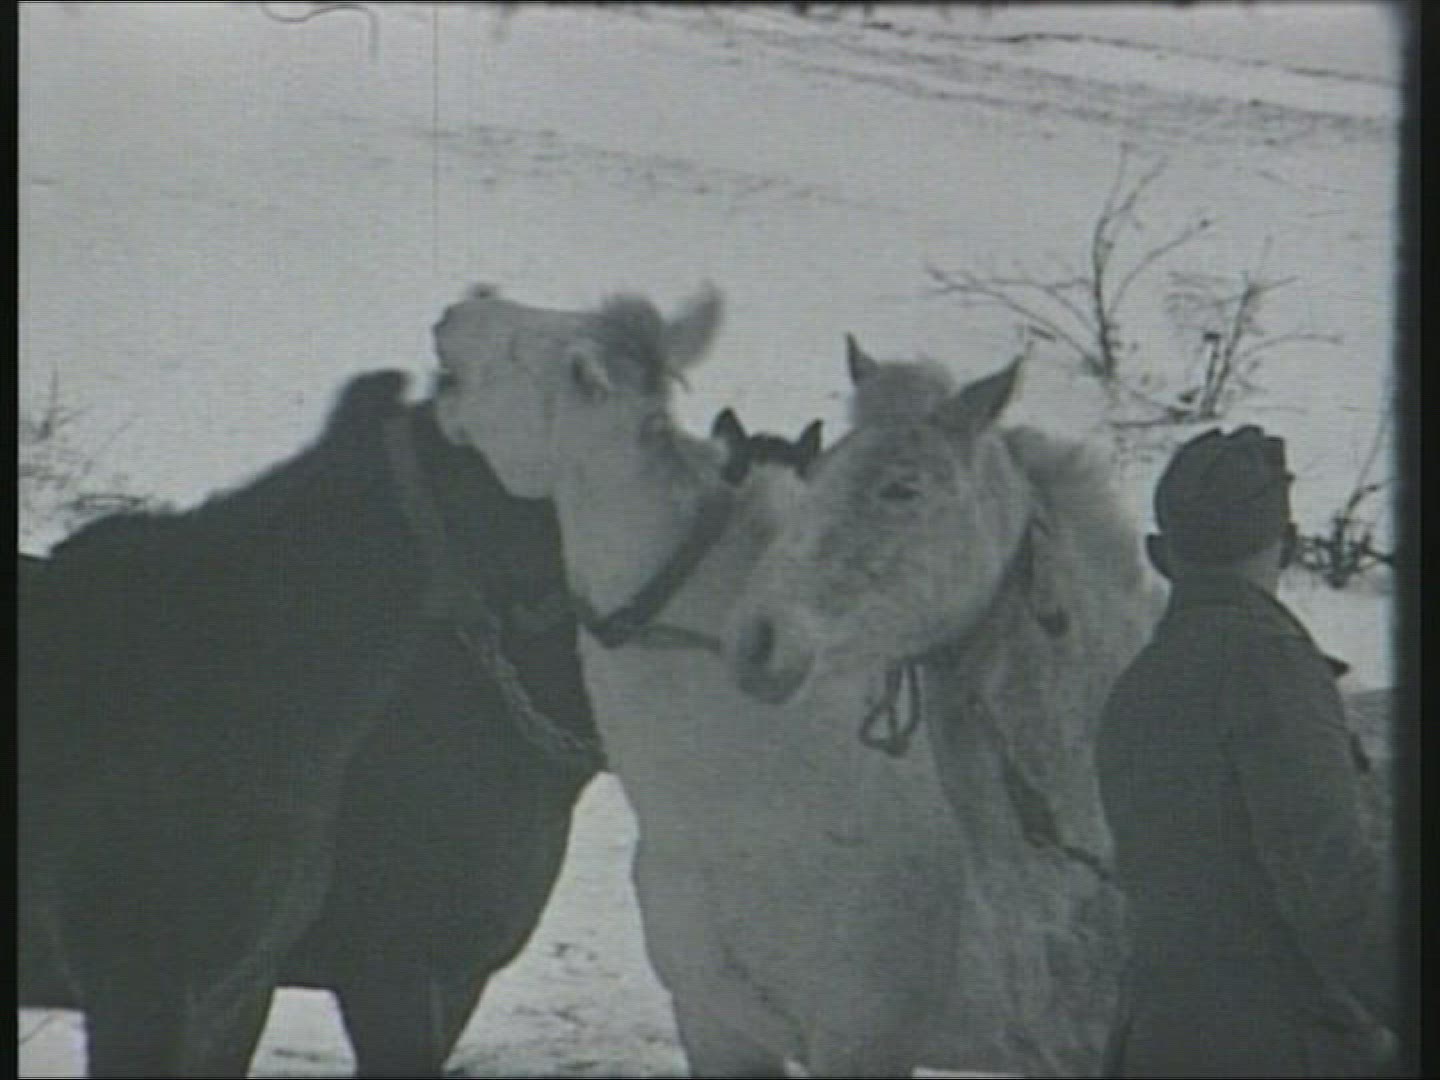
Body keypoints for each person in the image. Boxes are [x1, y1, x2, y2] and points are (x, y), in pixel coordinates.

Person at [1096, 425, 1396, 1078]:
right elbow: (1331, 887)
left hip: (1151, 1043)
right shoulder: (1269, 662)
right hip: (1278, 1046)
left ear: (1159, 555)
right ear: (1288, 545)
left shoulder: (1136, 685)